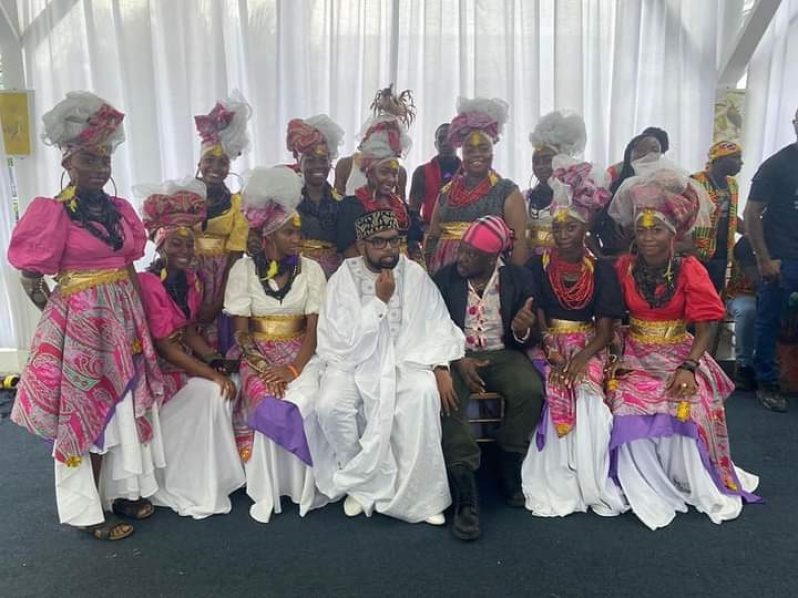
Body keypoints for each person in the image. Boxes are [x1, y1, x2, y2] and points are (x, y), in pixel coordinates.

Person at [8, 92, 164, 541]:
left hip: (124, 318)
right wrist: (61, 316)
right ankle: (86, 511)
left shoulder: (119, 212)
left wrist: (142, 321)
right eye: (90, 161)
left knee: (123, 408)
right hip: (80, 328)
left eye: (105, 161)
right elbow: (30, 276)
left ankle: (122, 493)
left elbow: (128, 267)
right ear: (68, 162)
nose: (99, 169)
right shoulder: (51, 212)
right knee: (87, 414)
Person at [606, 167, 759, 531]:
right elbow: (610, 314)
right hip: (635, 353)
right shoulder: (624, 267)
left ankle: (687, 478)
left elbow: (707, 325)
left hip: (681, 353)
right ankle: (643, 483)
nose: (647, 238)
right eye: (641, 230)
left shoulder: (690, 268)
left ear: (673, 234)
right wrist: (614, 346)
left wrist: (690, 367)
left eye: (656, 230)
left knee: (688, 404)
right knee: (624, 404)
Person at [309, 209, 465, 526]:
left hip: (405, 359)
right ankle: (360, 484)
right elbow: (340, 339)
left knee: (422, 394)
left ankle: (422, 497)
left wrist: (440, 365)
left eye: (394, 241)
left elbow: (436, 322)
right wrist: (379, 303)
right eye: (379, 242)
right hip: (352, 363)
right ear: (362, 245)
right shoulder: (344, 278)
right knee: (329, 406)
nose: (389, 249)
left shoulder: (414, 273)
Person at [519, 158, 626, 518]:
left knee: (588, 395)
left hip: (590, 342)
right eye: (558, 228)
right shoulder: (539, 265)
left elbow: (607, 327)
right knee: (554, 385)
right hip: (548, 343)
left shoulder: (603, 269)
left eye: (571, 228)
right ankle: (557, 476)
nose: (563, 234)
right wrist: (551, 349)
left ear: (584, 231)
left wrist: (582, 359)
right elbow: (538, 313)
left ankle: (588, 478)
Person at [224, 166, 329, 523]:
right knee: (268, 399)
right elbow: (241, 334)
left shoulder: (312, 270)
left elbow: (314, 330)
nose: (296, 238)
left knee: (306, 399)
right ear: (268, 237)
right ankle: (271, 490)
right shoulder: (242, 271)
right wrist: (264, 369)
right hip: (257, 355)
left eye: (297, 231)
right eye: (288, 232)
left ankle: (306, 488)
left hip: (303, 352)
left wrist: (293, 368)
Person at [137, 180, 245, 519]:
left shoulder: (191, 280)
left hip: (182, 362)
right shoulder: (149, 284)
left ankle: (212, 473)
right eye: (177, 243)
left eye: (190, 242)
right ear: (161, 245)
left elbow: (189, 330)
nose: (186, 249)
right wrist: (211, 373)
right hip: (157, 373)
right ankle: (186, 478)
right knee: (211, 392)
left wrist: (216, 358)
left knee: (232, 382)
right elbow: (167, 348)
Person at [433, 216, 544, 541]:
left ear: (493, 258)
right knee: (448, 398)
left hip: (503, 353)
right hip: (457, 355)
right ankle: (465, 487)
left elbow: (529, 337)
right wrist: (458, 359)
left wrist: (523, 329)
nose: (462, 258)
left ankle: (508, 462)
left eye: (471, 254)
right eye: (462, 250)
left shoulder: (519, 279)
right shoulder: (444, 279)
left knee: (529, 390)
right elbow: (432, 327)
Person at [425, 97, 528, 273]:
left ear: (492, 152)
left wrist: (513, 283)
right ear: (462, 154)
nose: (476, 155)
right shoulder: (447, 192)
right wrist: (430, 271)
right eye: (469, 150)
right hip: (444, 276)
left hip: (488, 278)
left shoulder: (506, 191)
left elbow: (519, 242)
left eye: (483, 149)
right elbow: (433, 235)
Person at [743, 107, 798, 412]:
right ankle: (767, 381)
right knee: (769, 321)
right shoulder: (777, 165)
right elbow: (751, 213)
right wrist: (764, 258)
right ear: (795, 124)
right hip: (781, 258)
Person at [193, 91, 252, 351]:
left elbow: (235, 258)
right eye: (209, 160)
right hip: (188, 273)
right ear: (199, 162)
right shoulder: (184, 198)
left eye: (223, 162)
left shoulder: (238, 205)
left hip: (220, 281)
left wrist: (217, 301)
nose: (215, 167)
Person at [336, 115, 423, 261]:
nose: (391, 179)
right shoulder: (351, 207)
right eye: (384, 172)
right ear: (369, 173)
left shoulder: (401, 207)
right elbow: (348, 249)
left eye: (394, 174)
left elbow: (413, 243)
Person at [286, 114, 346, 277]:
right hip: (294, 272)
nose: (318, 166)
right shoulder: (288, 200)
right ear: (300, 163)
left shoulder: (340, 202)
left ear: (330, 162)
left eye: (323, 160)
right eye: (311, 160)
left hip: (332, 277)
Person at [334, 84, 415, 199]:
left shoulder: (399, 173)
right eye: (384, 171)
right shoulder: (346, 166)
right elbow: (336, 206)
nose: (390, 178)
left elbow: (401, 210)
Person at [525, 111, 588, 256]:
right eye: (536, 161)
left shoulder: (576, 195)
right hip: (533, 269)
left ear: (561, 159)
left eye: (547, 160)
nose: (540, 166)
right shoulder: (525, 199)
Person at [594, 132, 665, 257]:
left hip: (655, 261)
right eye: (642, 149)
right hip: (616, 259)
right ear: (630, 154)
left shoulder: (667, 186)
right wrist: (601, 257)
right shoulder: (611, 186)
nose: (649, 154)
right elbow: (591, 227)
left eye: (655, 150)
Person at [691, 141, 744, 291]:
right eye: (736, 158)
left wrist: (751, 232)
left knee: (715, 292)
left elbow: (731, 216)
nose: (741, 163)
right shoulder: (695, 181)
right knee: (697, 291)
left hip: (723, 251)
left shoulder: (732, 184)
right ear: (719, 160)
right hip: (698, 251)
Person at [408, 123, 462, 228]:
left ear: (458, 142)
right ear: (436, 144)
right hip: (430, 231)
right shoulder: (421, 172)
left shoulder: (468, 172)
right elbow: (414, 211)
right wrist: (419, 235)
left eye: (450, 138)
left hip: (462, 233)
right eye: (441, 139)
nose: (445, 143)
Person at [725, 236, 758, 391]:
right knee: (748, 311)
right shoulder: (747, 242)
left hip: (779, 293)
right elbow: (754, 276)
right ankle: (745, 366)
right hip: (743, 294)